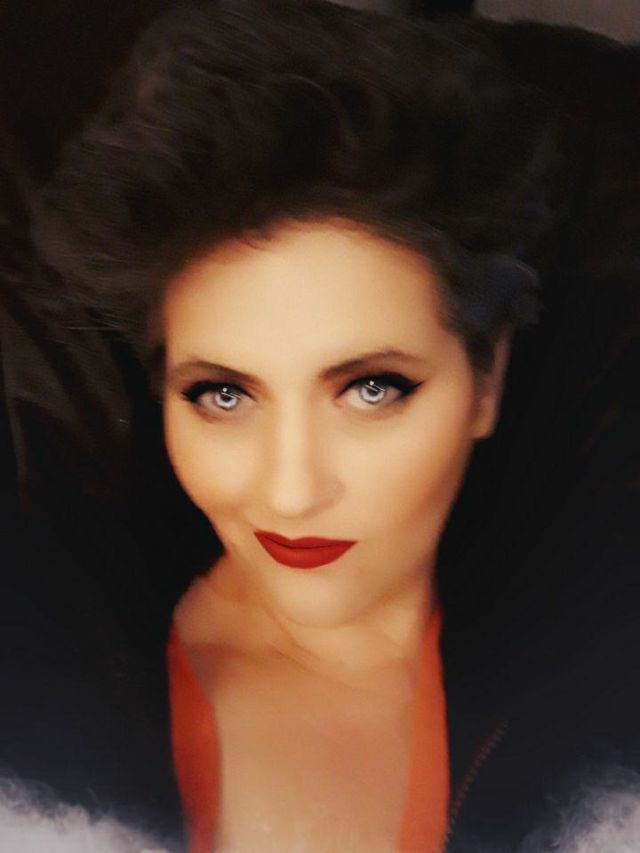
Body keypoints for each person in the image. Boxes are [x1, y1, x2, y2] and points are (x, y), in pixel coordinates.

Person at [15, 0, 640, 851]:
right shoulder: (38, 722)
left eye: (371, 389)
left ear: (485, 382)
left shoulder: (604, 675)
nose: (291, 491)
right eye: (223, 395)